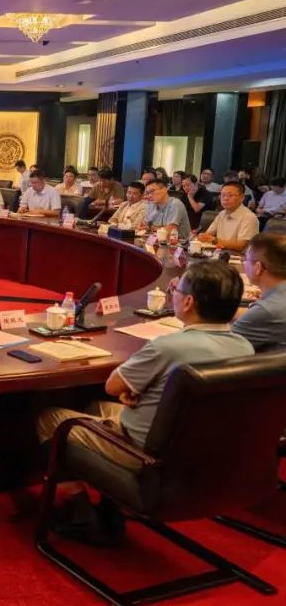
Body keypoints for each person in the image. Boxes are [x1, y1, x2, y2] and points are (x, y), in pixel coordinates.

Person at [38, 261, 252, 471]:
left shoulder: (167, 346)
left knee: (49, 417)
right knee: (94, 407)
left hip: (143, 453)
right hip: (203, 452)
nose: (173, 294)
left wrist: (136, 388)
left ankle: (68, 490)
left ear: (188, 302)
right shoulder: (245, 348)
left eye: (176, 290)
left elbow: (113, 387)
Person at [231, 233, 286, 352]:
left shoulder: (267, 309)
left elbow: (223, 344)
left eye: (245, 259)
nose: (244, 263)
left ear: (258, 267)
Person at [197, 181, 260, 252]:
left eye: (230, 195)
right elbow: (207, 234)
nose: (225, 198)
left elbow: (241, 246)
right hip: (220, 253)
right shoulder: (221, 214)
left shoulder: (249, 217)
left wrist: (214, 240)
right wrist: (201, 236)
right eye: (223, 195)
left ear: (242, 197)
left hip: (239, 257)